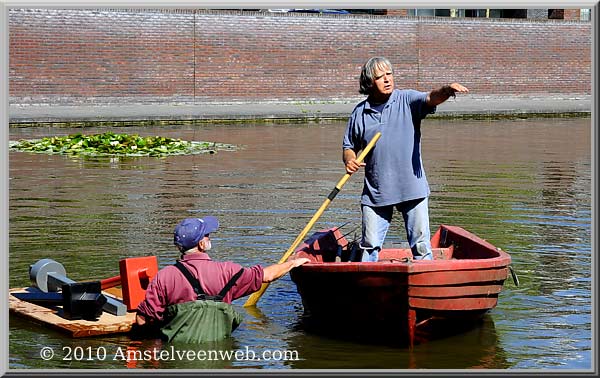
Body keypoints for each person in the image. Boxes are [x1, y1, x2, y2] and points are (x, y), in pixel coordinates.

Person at [343, 56, 469, 262]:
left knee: (421, 246)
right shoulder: (360, 113)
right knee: (369, 248)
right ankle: (368, 288)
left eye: (389, 74)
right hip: (377, 192)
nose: (387, 79)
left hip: (411, 187)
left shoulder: (406, 100)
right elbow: (348, 146)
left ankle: (426, 283)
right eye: (380, 76)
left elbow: (430, 98)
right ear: (369, 83)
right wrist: (350, 160)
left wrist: (446, 90)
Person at [135, 216, 310, 342]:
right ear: (202, 245)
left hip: (177, 357)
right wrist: (292, 263)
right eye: (207, 236)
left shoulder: (164, 277)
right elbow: (268, 275)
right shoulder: (228, 271)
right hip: (218, 357)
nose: (209, 238)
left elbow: (142, 321)